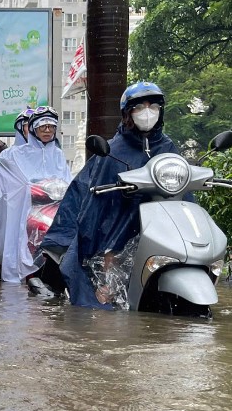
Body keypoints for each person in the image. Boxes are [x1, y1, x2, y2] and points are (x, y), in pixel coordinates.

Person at [40, 82, 182, 308]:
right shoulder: (113, 149)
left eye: (153, 106)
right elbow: (96, 204)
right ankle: (104, 287)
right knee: (109, 268)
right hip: (118, 220)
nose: (148, 112)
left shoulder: (168, 147)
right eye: (140, 107)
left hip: (160, 219)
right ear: (128, 113)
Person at [0, 107, 72, 284]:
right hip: (23, 213)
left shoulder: (58, 155)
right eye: (43, 127)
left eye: (51, 127)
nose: (48, 130)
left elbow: (67, 181)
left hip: (51, 213)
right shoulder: (14, 155)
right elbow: (0, 185)